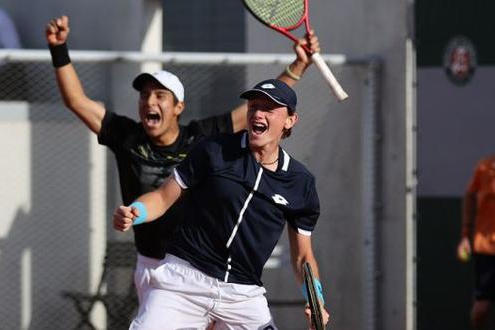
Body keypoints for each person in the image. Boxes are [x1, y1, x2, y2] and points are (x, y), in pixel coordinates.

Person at [46, 14, 320, 309]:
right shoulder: (127, 137)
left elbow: (259, 109)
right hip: (153, 263)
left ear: (178, 106)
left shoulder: (202, 139)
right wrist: (59, 49)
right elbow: (77, 101)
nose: (149, 102)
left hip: (201, 268)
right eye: (144, 95)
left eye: (160, 95)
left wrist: (298, 66)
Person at [113, 77, 330, 329]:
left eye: (269, 109)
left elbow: (303, 256)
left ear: (290, 120)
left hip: (243, 294)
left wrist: (316, 302)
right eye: (253, 107)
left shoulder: (300, 182)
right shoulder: (214, 150)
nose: (258, 113)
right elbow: (162, 197)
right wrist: (134, 212)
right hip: (184, 280)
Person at [456, 154, 495, 330]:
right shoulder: (484, 168)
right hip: (487, 247)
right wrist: (465, 235)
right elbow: (469, 197)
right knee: (480, 310)